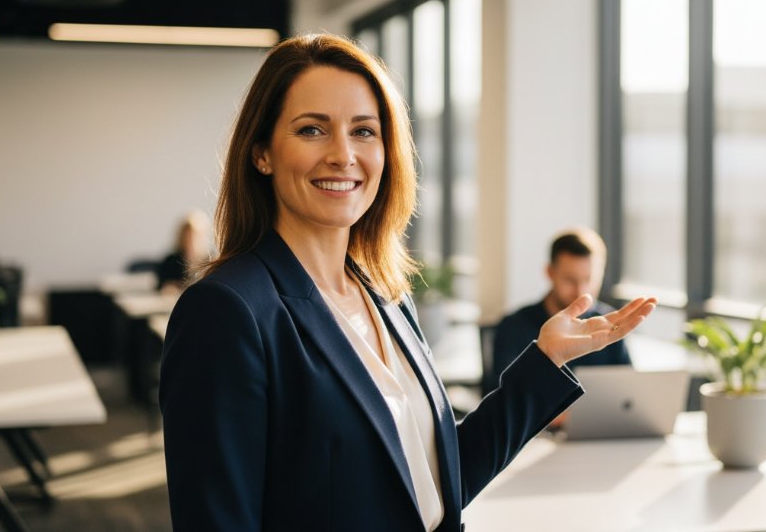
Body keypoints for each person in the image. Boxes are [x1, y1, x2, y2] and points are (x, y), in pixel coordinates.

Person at [158, 34, 657, 532]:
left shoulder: (386, 297)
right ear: (262, 152)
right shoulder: (228, 311)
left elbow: (434, 483)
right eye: (312, 130)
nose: (343, 154)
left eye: (364, 131)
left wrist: (545, 362)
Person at [490, 228, 631, 389]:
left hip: (603, 415)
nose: (580, 291)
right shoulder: (513, 327)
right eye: (570, 280)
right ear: (550, 273)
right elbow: (503, 398)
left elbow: (627, 394)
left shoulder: (611, 324)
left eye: (589, 279)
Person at [157, 210, 212, 292]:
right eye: (187, 236)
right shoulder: (170, 261)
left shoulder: (211, 261)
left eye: (194, 236)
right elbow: (161, 286)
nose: (191, 240)